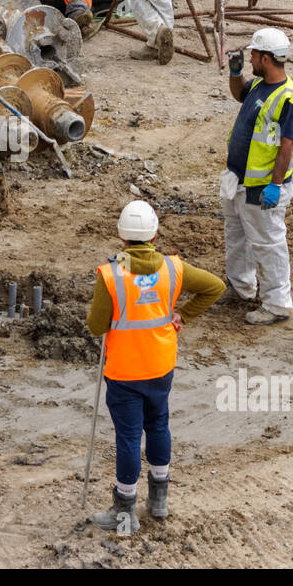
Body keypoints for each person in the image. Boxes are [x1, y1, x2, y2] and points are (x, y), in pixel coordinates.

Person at [86, 200, 225, 531]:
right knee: (159, 425)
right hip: (161, 365)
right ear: (155, 234)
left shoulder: (110, 274)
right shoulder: (172, 267)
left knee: (130, 437)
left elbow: (96, 326)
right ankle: (159, 502)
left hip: (124, 371)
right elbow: (215, 287)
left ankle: (124, 513)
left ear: (121, 237)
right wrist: (184, 314)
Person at [221, 28, 293, 326]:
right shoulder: (257, 86)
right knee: (237, 236)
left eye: (253, 55)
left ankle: (278, 304)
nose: (250, 58)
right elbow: (238, 93)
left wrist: (276, 184)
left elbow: (287, 146)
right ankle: (241, 288)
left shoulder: (288, 99)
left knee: (269, 245)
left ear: (266, 58)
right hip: (238, 180)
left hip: (262, 186)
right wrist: (235, 73)